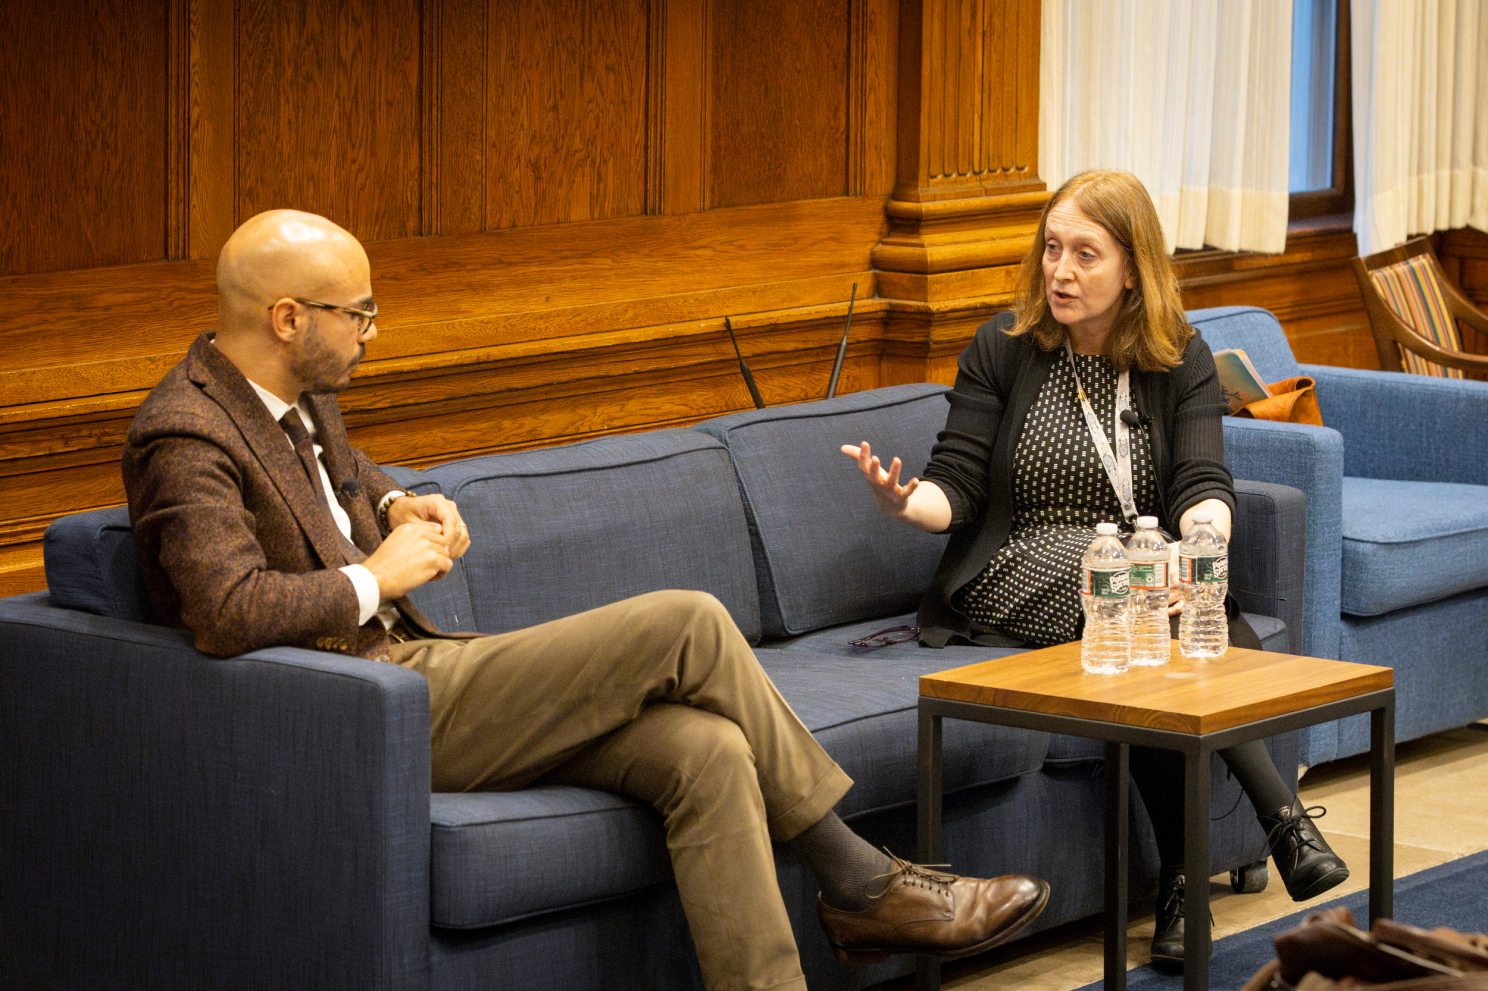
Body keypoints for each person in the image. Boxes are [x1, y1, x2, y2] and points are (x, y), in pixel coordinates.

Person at [121, 209, 1050, 991]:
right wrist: (380, 575)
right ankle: (858, 881)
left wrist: (402, 499)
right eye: (357, 313)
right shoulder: (185, 432)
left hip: (415, 674)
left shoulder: (300, 395)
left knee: (708, 749)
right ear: (286, 317)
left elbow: (346, 479)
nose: (372, 330)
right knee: (685, 620)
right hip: (362, 705)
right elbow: (227, 610)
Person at [841, 170, 1348, 971]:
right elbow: (957, 481)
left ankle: (1182, 884)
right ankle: (1282, 818)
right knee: (1147, 597)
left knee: (1147, 629)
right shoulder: (1003, 347)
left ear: (1132, 268)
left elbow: (1201, 484)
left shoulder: (1181, 357)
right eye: (1052, 248)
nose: (1061, 271)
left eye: (1085, 253)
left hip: (1127, 576)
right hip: (1016, 564)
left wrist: (1198, 548)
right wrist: (906, 502)